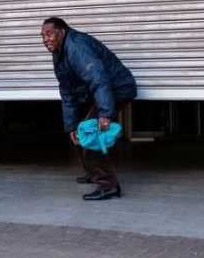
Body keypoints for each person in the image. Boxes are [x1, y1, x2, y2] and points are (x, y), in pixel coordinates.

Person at [41, 17, 137, 201]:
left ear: (61, 32)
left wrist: (104, 114)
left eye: (49, 34)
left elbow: (98, 79)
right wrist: (70, 126)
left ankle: (108, 185)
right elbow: (67, 90)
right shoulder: (59, 53)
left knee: (91, 134)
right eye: (42, 36)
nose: (45, 39)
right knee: (78, 131)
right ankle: (93, 172)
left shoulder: (76, 47)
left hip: (117, 89)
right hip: (98, 92)